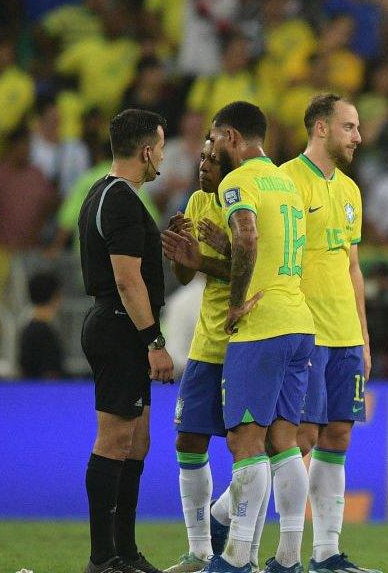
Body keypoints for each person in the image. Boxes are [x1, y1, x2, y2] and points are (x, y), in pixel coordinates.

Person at [201, 101, 315, 573]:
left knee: (246, 444)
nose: (210, 148)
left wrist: (235, 302)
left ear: (230, 137)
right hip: (299, 322)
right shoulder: (288, 182)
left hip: (262, 325)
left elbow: (248, 237)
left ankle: (235, 557)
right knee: (285, 441)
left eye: (213, 138)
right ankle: (288, 558)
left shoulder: (238, 181)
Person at [279, 93, 381, 573]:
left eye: (357, 128)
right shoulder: (285, 182)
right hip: (303, 332)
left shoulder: (350, 191)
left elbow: (353, 268)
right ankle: (281, 549)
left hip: (343, 335)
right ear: (320, 128)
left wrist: (362, 337)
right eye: (349, 127)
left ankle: (326, 554)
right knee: (299, 437)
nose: (358, 137)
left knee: (337, 435)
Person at [77, 108, 173, 573]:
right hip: (121, 327)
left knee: (137, 442)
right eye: (162, 147)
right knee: (114, 440)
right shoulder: (120, 199)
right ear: (147, 150)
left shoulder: (106, 192)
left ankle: (126, 552)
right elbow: (127, 278)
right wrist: (154, 339)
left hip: (119, 327)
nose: (163, 158)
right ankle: (103, 558)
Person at [159, 137, 240, 573]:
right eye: (202, 157)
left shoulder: (245, 201)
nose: (202, 164)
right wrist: (181, 250)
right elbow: (187, 273)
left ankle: (231, 535)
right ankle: (200, 552)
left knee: (251, 448)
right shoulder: (196, 202)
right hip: (206, 342)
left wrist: (216, 254)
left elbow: (254, 268)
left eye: (211, 158)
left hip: (248, 338)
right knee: (188, 438)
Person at [19, 271, 66, 379]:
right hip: (44, 391)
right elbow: (50, 372)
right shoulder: (43, 332)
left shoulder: (29, 328)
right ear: (55, 297)